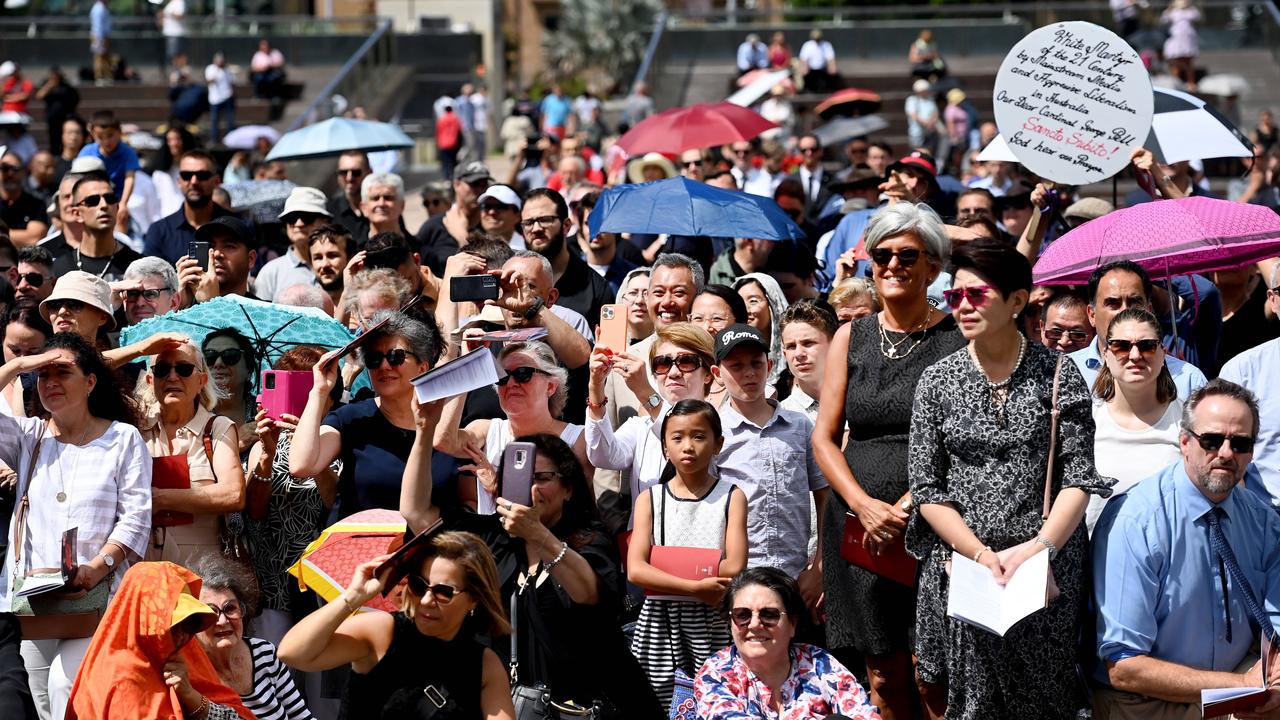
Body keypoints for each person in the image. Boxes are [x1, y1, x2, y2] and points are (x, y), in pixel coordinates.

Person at [908, 238, 1112, 718]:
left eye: (976, 294)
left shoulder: (1060, 376)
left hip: (1043, 571)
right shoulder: (937, 380)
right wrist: (977, 553)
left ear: (1018, 301)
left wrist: (1039, 548)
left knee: (1044, 700)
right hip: (965, 568)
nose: (962, 306)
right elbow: (927, 488)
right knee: (973, 702)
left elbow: (1078, 478)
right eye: (954, 295)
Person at [812, 203, 962, 719]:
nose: (893, 265)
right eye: (882, 255)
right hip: (858, 528)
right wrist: (864, 507)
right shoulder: (849, 336)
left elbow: (962, 442)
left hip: (935, 524)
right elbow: (825, 438)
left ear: (933, 267)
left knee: (933, 671)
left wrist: (906, 506)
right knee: (883, 671)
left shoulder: (957, 339)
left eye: (907, 255)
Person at [1091, 380, 1280, 717]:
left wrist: (1274, 682)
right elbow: (1124, 666)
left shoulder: (1263, 521)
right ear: (1184, 442)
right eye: (1211, 440)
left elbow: (1276, 623)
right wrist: (1240, 687)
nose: (1225, 453)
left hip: (1240, 681)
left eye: (1240, 443)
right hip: (1148, 699)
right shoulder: (1136, 520)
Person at [0, 333, 150, 720]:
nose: (49, 382)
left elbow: (135, 517)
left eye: (62, 372)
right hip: (33, 599)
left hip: (96, 595)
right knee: (40, 700)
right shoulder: (28, 436)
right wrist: (18, 367)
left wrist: (96, 568)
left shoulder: (123, 438)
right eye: (43, 374)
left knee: (65, 686)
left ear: (90, 381)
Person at [277, 531, 515, 719]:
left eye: (444, 592)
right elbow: (293, 653)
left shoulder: (484, 664)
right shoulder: (383, 631)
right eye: (419, 585)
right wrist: (352, 597)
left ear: (474, 598)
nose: (426, 600)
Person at [628, 399, 748, 705]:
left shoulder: (732, 496)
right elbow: (637, 569)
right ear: (665, 446)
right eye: (677, 437)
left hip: (712, 619)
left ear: (718, 443)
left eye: (699, 436)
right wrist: (695, 586)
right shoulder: (650, 499)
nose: (688, 446)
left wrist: (663, 567)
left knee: (715, 699)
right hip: (660, 621)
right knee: (657, 702)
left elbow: (735, 565)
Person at [291, 312, 441, 516]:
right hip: (363, 545)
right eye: (374, 359)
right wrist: (319, 391)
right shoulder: (351, 418)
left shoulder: (443, 421)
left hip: (432, 545)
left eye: (395, 356)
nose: (384, 366)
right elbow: (301, 465)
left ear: (423, 367)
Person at [66, 561, 255, 720]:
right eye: (172, 624)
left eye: (188, 623)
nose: (182, 635)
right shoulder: (124, 680)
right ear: (145, 622)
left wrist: (191, 696)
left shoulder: (183, 657)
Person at [714, 324, 827, 580]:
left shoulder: (799, 425)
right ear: (716, 373)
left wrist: (818, 567)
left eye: (756, 363)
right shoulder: (715, 432)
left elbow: (823, 496)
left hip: (797, 572)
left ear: (770, 365)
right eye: (736, 366)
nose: (749, 374)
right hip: (737, 575)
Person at [244, 347, 339, 647]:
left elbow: (335, 503)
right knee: (274, 678)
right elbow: (254, 512)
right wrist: (266, 458)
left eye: (308, 391)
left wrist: (312, 457)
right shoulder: (264, 443)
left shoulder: (338, 438)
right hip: (272, 584)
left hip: (323, 584)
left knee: (320, 687)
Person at [695, 567, 882, 719]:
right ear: (731, 622)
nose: (754, 624)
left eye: (769, 614)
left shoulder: (816, 661)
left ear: (792, 624)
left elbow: (863, 714)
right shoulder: (716, 673)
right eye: (742, 615)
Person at [435, 340, 591, 515]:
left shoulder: (579, 440)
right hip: (493, 541)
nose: (510, 383)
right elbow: (443, 440)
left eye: (523, 374)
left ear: (550, 386)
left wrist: (496, 486)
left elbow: (578, 510)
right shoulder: (487, 430)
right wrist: (467, 366)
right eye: (502, 377)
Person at [586, 323, 717, 526]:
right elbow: (602, 456)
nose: (673, 372)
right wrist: (595, 385)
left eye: (687, 362)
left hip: (698, 545)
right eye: (663, 363)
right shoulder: (640, 426)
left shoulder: (721, 423)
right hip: (645, 549)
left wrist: (645, 393)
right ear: (654, 373)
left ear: (708, 374)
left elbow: (682, 438)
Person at [140, 337, 245, 565]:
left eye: (185, 369)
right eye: (163, 369)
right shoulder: (132, 429)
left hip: (202, 574)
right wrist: (140, 349)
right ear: (150, 379)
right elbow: (86, 370)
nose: (172, 376)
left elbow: (234, 494)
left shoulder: (217, 428)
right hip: (142, 573)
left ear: (201, 381)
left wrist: (162, 499)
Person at [1084, 308, 1183, 535]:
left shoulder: (1190, 421)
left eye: (1147, 346)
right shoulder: (1085, 422)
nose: (1135, 355)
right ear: (1106, 354)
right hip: (1096, 561)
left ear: (1162, 353)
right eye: (1122, 346)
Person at [191, 554, 313, 720]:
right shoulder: (192, 674)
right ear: (193, 620)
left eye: (230, 608)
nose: (222, 620)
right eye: (210, 612)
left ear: (242, 610)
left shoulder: (265, 653)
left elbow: (301, 716)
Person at [1069, 260, 1208, 401]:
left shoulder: (1187, 380)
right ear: (1092, 315)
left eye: (1134, 303)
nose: (1124, 312)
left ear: (1149, 311)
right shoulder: (1065, 372)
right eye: (1113, 303)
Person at [1219, 272, 1280, 506]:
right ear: (1272, 300)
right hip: (1268, 517)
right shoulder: (1242, 371)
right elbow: (1223, 451)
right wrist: (1250, 519)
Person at [521, 188, 612, 326]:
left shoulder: (596, 288)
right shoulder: (511, 282)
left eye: (545, 220)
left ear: (566, 226)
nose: (536, 228)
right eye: (528, 222)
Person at [144, 150, 233, 266]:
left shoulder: (237, 226)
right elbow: (150, 279)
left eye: (202, 176)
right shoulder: (159, 231)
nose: (194, 181)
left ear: (216, 181)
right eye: (187, 176)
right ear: (179, 181)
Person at [53, 170, 141, 281]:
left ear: (117, 208)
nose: (104, 205)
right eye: (92, 200)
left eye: (110, 199)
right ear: (77, 213)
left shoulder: (138, 267)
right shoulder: (59, 269)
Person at [255, 187, 331, 302]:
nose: (298, 223)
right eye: (292, 218)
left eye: (307, 217)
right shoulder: (270, 273)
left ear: (325, 221)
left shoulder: (342, 268)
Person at [417, 161, 492, 275]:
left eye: (484, 184)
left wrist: (463, 237)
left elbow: (491, 269)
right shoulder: (434, 226)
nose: (481, 190)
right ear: (456, 184)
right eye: (475, 184)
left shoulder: (492, 224)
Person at [76, 111, 136, 233]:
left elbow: (130, 177)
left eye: (110, 135)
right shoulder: (86, 152)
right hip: (91, 202)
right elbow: (77, 178)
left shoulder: (127, 152)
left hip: (116, 201)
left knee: (121, 223)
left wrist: (124, 203)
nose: (106, 141)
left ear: (119, 132)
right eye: (100, 137)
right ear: (92, 134)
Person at [778, 300, 836, 423]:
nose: (799, 354)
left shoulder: (862, 402)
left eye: (808, 343)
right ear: (784, 354)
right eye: (791, 346)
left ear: (834, 345)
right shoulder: (780, 417)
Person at [732, 273, 789, 389]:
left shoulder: (792, 352)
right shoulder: (729, 355)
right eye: (739, 302)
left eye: (753, 301)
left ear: (772, 305)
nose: (745, 309)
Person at [202, 328, 257, 432]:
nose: (218, 363)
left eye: (230, 356)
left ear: (248, 371)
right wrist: (239, 443)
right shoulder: (190, 411)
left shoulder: (265, 414)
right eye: (210, 356)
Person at [0, 306, 51, 417]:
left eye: (33, 352)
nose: (23, 358)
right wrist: (15, 366)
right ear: (2, 340)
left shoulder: (53, 387)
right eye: (15, 350)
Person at [0, 151, 49, 247]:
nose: (10, 174)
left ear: (23, 172)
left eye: (15, 169)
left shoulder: (35, 204)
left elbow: (34, 238)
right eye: (5, 169)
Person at [118, 256, 183, 328]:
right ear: (124, 300)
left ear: (174, 302)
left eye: (150, 294)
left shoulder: (189, 337)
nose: (139, 303)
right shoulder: (106, 337)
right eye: (133, 294)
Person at [307, 223, 352, 311]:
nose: (325, 264)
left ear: (350, 258)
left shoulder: (365, 305)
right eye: (318, 258)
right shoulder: (304, 306)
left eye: (332, 256)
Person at [1162, 0, 1201, 91]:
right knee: (1176, 63)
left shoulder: (1190, 11)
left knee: (1188, 63)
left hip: (1188, 41)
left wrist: (1189, 7)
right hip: (1176, 40)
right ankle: (1175, 82)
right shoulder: (1172, 12)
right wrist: (1170, 9)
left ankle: (1191, 83)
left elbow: (1197, 17)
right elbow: (1164, 19)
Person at [206, 52, 235, 144]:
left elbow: (233, 81)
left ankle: (231, 139)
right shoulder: (210, 69)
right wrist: (217, 71)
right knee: (214, 120)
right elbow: (209, 80)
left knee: (230, 120)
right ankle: (214, 139)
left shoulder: (227, 70)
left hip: (227, 97)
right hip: (215, 99)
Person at [905, 80, 940, 158]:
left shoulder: (930, 100)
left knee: (929, 151)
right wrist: (925, 123)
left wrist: (931, 122)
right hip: (917, 132)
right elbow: (912, 114)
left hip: (929, 131)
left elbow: (935, 113)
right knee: (916, 151)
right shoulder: (912, 100)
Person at [618, 268, 653, 344]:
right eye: (633, 293)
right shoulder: (611, 344)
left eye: (647, 294)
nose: (639, 301)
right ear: (622, 298)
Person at [435, 100, 463, 182]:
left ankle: (446, 178)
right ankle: (454, 177)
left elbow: (438, 132)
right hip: (454, 143)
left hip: (443, 144)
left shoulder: (441, 119)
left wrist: (438, 143)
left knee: (445, 162)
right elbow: (459, 131)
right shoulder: (455, 118)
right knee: (454, 162)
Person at [89, 0, 112, 82]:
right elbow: (98, 26)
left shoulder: (102, 8)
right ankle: (99, 77)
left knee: (104, 56)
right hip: (99, 36)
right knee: (99, 57)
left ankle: (106, 76)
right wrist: (102, 39)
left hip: (102, 36)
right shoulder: (99, 9)